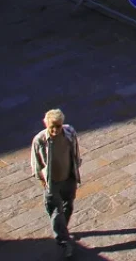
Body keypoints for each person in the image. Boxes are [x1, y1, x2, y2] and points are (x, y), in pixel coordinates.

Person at [29, 108, 81, 258]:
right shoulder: (40, 140)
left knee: (68, 206)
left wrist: (76, 166)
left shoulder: (69, 132)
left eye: (58, 126)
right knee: (57, 212)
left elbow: (75, 150)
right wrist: (43, 182)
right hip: (52, 183)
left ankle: (62, 229)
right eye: (52, 126)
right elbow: (36, 164)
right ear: (46, 124)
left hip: (69, 178)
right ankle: (64, 241)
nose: (55, 129)